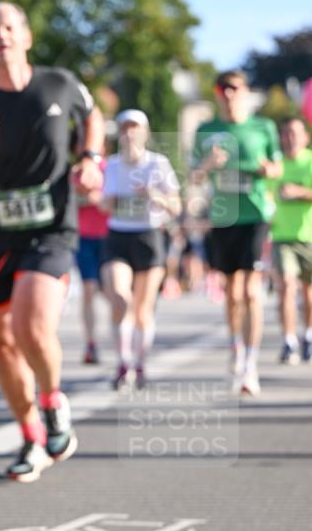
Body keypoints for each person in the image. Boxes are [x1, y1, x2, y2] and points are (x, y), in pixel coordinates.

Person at [0, 2, 104, 482]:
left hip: (51, 228)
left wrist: (90, 158)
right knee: (1, 344)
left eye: (8, 26)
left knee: (30, 318)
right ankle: (30, 435)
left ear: (25, 36)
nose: (0, 34)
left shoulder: (59, 84)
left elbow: (93, 115)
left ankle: (51, 400)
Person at [191, 71, 282, 395]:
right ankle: (236, 349)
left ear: (244, 91)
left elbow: (277, 168)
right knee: (232, 293)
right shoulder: (207, 130)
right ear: (217, 93)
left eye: (234, 88)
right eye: (222, 88)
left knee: (251, 291)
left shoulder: (262, 127)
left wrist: (264, 169)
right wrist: (208, 164)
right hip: (223, 217)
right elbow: (194, 178)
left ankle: (251, 365)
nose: (228, 94)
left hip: (256, 215)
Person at [100, 110, 181, 389]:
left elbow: (176, 206)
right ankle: (123, 362)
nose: (129, 133)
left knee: (143, 309)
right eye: (124, 128)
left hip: (148, 236)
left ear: (145, 133)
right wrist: (104, 200)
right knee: (120, 300)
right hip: (118, 235)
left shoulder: (158, 164)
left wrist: (153, 195)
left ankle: (140, 364)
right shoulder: (111, 165)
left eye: (135, 128)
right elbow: (103, 205)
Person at [269, 116, 312, 363]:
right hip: (282, 236)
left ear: (305, 137)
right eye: (285, 133)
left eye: (295, 133)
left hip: (309, 235)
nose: (290, 138)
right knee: (286, 286)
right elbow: (264, 193)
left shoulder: (310, 162)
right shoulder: (277, 166)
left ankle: (308, 333)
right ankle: (289, 341)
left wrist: (299, 192)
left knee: (308, 294)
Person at [75, 157, 109, 363]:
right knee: (88, 289)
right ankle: (91, 343)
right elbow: (68, 199)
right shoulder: (76, 170)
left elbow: (114, 200)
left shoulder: (110, 168)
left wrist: (103, 199)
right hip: (84, 238)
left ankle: (127, 336)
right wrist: (87, 199)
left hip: (109, 237)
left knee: (111, 292)